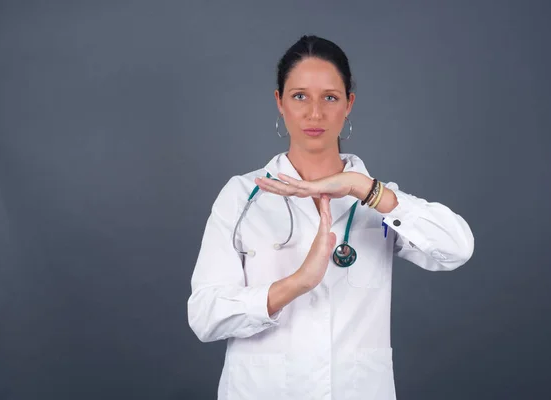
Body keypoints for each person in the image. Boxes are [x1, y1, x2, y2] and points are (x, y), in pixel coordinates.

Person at [187, 35, 474, 400]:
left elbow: (457, 249)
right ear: (280, 102)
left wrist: (362, 188)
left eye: (330, 97)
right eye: (299, 96)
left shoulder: (378, 200)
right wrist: (298, 283)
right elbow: (205, 316)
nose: (315, 113)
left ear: (349, 104)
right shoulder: (243, 195)